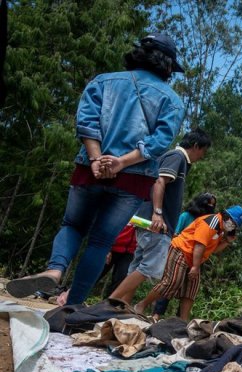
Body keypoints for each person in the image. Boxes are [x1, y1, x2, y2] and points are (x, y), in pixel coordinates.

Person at [7, 33, 185, 304]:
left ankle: (55, 270)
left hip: (90, 168)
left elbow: (87, 121)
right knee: (101, 242)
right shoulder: (171, 100)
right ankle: (72, 308)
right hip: (133, 178)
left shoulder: (103, 81)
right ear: (167, 65)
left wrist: (96, 159)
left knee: (73, 225)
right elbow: (160, 141)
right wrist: (122, 162)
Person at [110, 129, 212, 304]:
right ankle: (112, 301)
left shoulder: (175, 158)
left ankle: (122, 305)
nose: (202, 156)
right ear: (195, 146)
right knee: (151, 267)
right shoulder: (177, 157)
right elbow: (159, 181)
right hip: (157, 223)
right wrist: (158, 213)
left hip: (148, 220)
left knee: (138, 265)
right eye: (203, 151)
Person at [134, 205, 242, 321]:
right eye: (232, 222)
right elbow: (199, 245)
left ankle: (183, 321)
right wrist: (195, 267)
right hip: (181, 250)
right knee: (171, 282)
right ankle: (141, 305)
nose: (232, 225)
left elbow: (213, 250)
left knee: (191, 289)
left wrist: (227, 242)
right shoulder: (212, 222)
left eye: (235, 225)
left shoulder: (221, 230)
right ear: (226, 216)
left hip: (194, 258)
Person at [151, 192, 217, 320]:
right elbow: (175, 233)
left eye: (213, 205)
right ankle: (156, 314)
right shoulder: (186, 216)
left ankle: (180, 319)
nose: (210, 206)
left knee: (187, 290)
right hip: (179, 252)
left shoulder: (209, 222)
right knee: (171, 283)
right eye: (208, 203)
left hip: (194, 259)